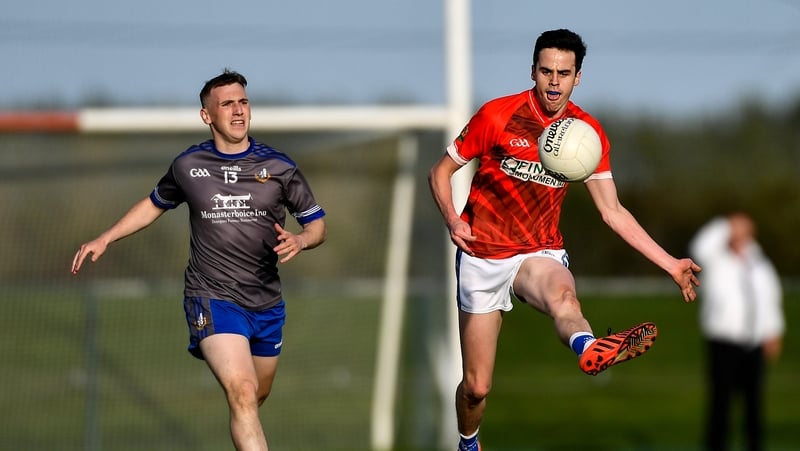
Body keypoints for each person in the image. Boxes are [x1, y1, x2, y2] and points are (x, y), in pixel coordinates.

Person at [427, 29, 701, 451]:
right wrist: (452, 220)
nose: (554, 82)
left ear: (578, 77)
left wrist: (670, 263)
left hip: (539, 251)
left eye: (564, 73)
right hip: (482, 254)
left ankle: (589, 347)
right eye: (546, 71)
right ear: (533, 71)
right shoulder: (497, 116)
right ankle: (468, 442)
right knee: (477, 388)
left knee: (565, 301)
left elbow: (612, 212)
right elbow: (440, 172)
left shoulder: (586, 134)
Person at [71, 69, 327, 451]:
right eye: (227, 104)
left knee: (254, 397)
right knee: (241, 392)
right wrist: (106, 237)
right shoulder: (188, 166)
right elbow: (154, 204)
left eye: (243, 102)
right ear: (207, 115)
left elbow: (317, 225)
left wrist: (301, 240)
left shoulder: (279, 167)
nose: (239, 111)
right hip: (212, 297)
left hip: (267, 303)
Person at [689, 212, 784, 451]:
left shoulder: (758, 261)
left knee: (754, 403)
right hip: (723, 340)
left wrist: (773, 331)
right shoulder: (716, 257)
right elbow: (699, 245)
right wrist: (725, 225)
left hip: (753, 342)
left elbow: (769, 298)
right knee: (721, 402)